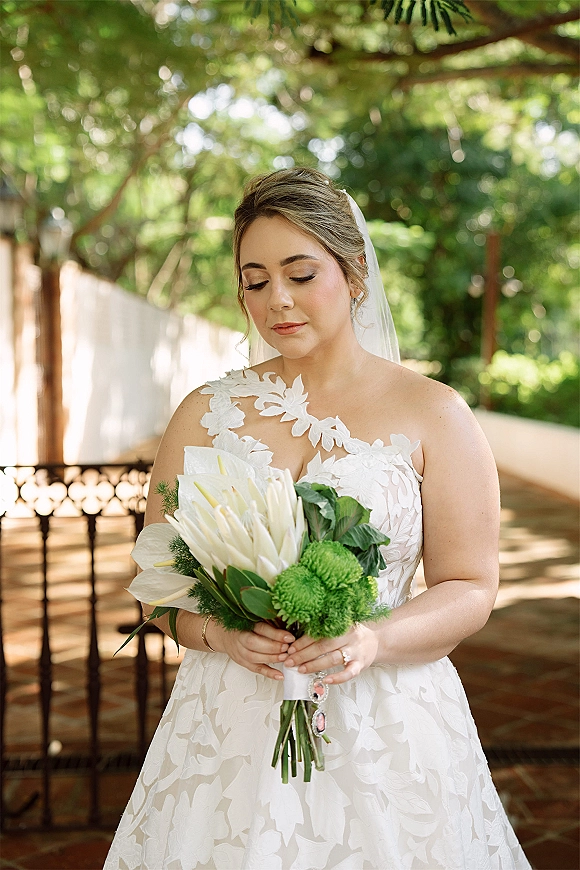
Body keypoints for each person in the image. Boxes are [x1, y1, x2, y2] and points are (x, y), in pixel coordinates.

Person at [105, 168, 530, 869]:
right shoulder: (204, 414)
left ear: (355, 273)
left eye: (301, 274)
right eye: (255, 280)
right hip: (231, 722)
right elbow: (158, 583)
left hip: (388, 716)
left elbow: (470, 585)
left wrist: (369, 639)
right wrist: (220, 632)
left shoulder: (435, 413)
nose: (277, 300)